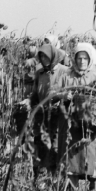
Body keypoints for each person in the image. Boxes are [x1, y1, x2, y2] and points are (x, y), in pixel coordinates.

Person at [60, 43, 96, 191]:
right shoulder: (67, 77)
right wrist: (64, 96)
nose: (81, 61)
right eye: (79, 58)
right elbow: (56, 96)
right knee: (73, 158)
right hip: (73, 124)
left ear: (90, 60)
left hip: (93, 125)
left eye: (85, 58)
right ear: (74, 59)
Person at [27, 43, 69, 175]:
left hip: (59, 112)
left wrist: (59, 98)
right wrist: (28, 101)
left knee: (57, 142)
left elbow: (68, 92)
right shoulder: (40, 72)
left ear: (53, 56)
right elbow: (34, 93)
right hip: (42, 112)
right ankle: (43, 171)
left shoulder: (65, 71)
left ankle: (57, 173)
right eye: (41, 57)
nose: (44, 60)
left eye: (46, 57)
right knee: (41, 141)